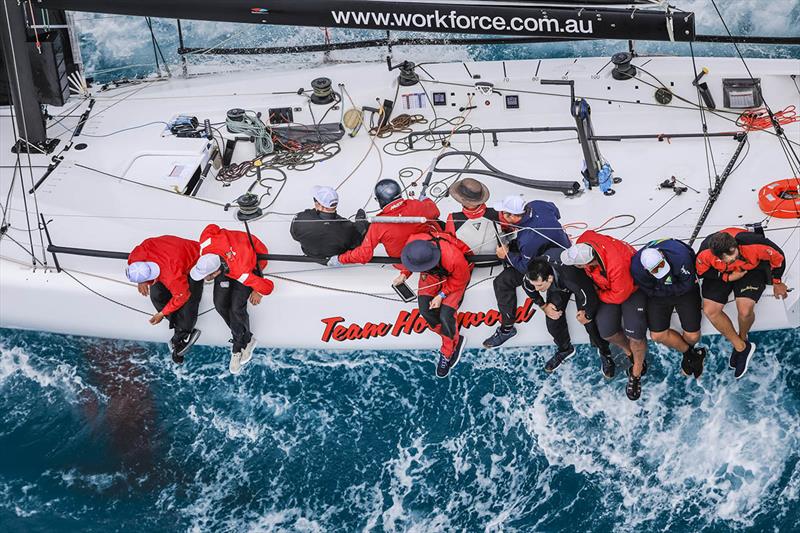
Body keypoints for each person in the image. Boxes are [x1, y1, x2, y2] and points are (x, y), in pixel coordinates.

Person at [561, 231, 648, 401]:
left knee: (635, 335)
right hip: (609, 289)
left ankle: (636, 372)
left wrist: (597, 294)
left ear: (586, 263)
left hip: (631, 289)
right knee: (607, 331)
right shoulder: (585, 239)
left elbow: (620, 296)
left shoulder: (616, 266)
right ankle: (629, 352)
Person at [696, 227, 787, 379]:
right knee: (710, 310)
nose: (729, 259)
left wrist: (777, 281)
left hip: (750, 270)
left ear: (735, 246)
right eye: (723, 256)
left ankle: (743, 337)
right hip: (722, 275)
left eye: (731, 253)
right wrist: (727, 278)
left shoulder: (754, 244)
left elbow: (778, 258)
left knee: (745, 311)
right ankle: (741, 346)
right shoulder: (705, 253)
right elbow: (701, 271)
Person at [482, 195, 571, 349]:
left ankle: (507, 330)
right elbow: (556, 212)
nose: (501, 216)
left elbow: (525, 268)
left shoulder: (528, 239)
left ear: (515, 216)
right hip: (557, 248)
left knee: (501, 282)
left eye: (503, 213)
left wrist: (507, 255)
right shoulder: (538, 204)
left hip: (554, 265)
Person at [192, 224, 275, 375]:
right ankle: (245, 339)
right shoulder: (205, 243)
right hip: (226, 259)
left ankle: (239, 346)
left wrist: (258, 290)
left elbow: (268, 287)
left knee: (236, 308)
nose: (205, 279)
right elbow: (211, 227)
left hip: (246, 261)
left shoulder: (241, 272)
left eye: (207, 276)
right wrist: (228, 238)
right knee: (219, 305)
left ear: (216, 271)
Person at [524, 250, 615, 376]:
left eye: (539, 285)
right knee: (552, 319)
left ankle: (605, 352)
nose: (537, 289)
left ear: (549, 278)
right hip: (558, 287)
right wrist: (544, 306)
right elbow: (527, 287)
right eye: (534, 285)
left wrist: (587, 315)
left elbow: (590, 297)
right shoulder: (533, 274)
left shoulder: (571, 276)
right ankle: (565, 350)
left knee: (590, 323)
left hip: (579, 283)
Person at [397, 231, 472, 378]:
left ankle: (447, 351)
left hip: (456, 276)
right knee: (425, 310)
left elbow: (461, 279)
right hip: (433, 271)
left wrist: (441, 295)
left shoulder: (453, 258)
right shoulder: (413, 241)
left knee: (446, 315)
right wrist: (404, 273)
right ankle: (453, 337)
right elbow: (411, 259)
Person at [631, 238, 706, 379]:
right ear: (646, 269)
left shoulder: (681, 256)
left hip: (683, 291)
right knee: (657, 336)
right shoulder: (636, 268)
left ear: (663, 255)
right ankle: (690, 354)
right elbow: (648, 290)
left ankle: (689, 355)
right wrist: (665, 291)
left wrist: (666, 289)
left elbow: (688, 284)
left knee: (693, 335)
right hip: (660, 294)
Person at [328, 179, 440, 270]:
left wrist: (340, 259)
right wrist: (425, 201)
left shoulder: (378, 223)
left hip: (404, 264)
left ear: (381, 200)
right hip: (429, 256)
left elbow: (364, 254)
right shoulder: (417, 205)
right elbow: (435, 212)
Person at [126, 235, 202, 364]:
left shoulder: (172, 276)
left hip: (193, 265)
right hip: (168, 259)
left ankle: (182, 335)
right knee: (156, 296)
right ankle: (180, 326)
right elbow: (133, 262)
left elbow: (183, 296)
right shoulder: (137, 257)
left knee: (189, 310)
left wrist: (162, 314)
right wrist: (140, 281)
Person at [290, 185, 368, 262]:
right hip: (336, 257)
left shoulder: (301, 218)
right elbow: (357, 242)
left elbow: (295, 236)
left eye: (315, 200)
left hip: (309, 253)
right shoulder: (347, 228)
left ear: (320, 206)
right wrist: (361, 221)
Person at [444, 178, 502, 258]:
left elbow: (449, 243)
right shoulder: (498, 213)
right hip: (498, 261)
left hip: (469, 264)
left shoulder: (452, 218)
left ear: (461, 199)